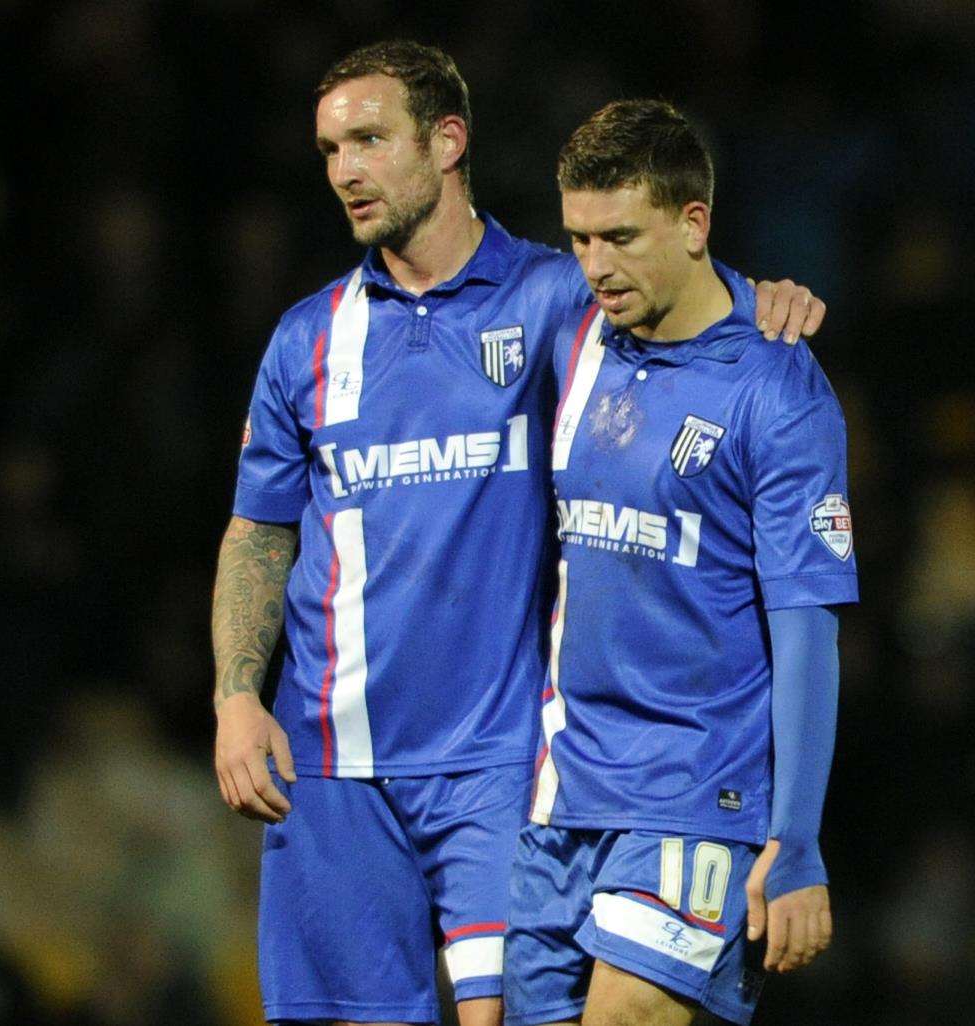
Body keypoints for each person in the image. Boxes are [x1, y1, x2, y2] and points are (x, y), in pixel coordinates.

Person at [211, 41, 825, 1026]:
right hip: (331, 764)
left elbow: (674, 293)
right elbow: (257, 531)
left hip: (500, 765)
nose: (344, 171)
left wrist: (763, 299)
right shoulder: (306, 339)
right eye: (329, 149)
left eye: (368, 139)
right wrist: (236, 693)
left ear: (446, 141)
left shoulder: (550, 298)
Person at [503, 100, 857, 1026]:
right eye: (578, 239)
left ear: (693, 222)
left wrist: (797, 839)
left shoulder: (776, 389)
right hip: (561, 788)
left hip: (694, 793)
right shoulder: (573, 336)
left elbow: (807, 627)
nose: (595, 266)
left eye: (620, 237)